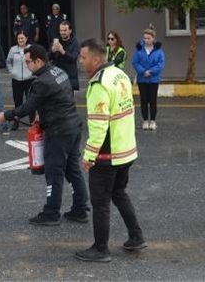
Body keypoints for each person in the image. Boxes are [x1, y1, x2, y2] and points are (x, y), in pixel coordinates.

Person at [0, 44, 89, 226]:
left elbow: (27, 107)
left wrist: (5, 115)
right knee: (73, 170)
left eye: (28, 62)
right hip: (73, 127)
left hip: (58, 132)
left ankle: (51, 213)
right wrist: (42, 114)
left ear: (39, 61)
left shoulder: (41, 82)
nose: (27, 65)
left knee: (54, 173)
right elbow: (59, 98)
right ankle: (80, 209)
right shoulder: (58, 72)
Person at [76, 38, 145, 263]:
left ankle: (100, 248)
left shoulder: (99, 83)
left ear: (96, 59)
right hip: (126, 149)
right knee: (119, 193)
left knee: (101, 202)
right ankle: (136, 236)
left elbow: (98, 124)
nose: (80, 61)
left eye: (84, 57)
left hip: (108, 154)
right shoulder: (119, 74)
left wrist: (88, 156)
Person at [131, 28, 165, 131]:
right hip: (142, 79)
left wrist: (151, 71)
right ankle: (145, 120)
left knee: (153, 100)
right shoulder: (139, 49)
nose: (146, 40)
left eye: (148, 38)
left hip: (154, 79)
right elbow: (135, 62)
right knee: (144, 100)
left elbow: (161, 63)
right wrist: (142, 72)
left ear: (153, 38)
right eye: (145, 38)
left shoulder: (158, 51)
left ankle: (153, 121)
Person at [6, 31, 35, 131]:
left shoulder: (31, 48)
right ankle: (16, 122)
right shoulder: (13, 49)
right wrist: (12, 72)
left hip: (29, 79)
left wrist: (33, 72)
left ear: (26, 38)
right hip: (16, 80)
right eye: (19, 38)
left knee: (31, 101)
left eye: (22, 38)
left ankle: (33, 122)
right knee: (17, 102)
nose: (20, 40)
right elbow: (8, 62)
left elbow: (36, 61)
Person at [49, 20, 80, 91]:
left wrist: (63, 52)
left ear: (70, 31)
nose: (62, 32)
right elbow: (47, 57)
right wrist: (52, 51)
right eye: (61, 30)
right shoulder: (56, 41)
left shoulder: (74, 42)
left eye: (65, 30)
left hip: (69, 76)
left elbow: (74, 58)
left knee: (68, 99)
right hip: (57, 75)